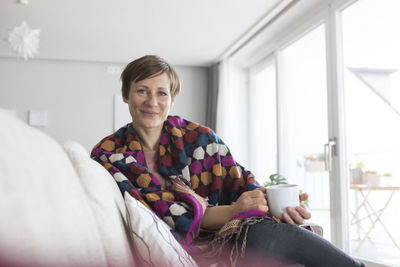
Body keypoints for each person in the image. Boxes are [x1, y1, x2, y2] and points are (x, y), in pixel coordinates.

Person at [91, 55, 365, 267]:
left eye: (161, 92)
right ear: (126, 95)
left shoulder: (200, 138)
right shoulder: (109, 155)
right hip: (190, 245)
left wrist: (276, 205)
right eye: (142, 91)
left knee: (270, 232)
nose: (152, 101)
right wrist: (235, 209)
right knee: (260, 237)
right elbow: (166, 216)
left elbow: (243, 183)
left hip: (231, 232)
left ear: (172, 99)